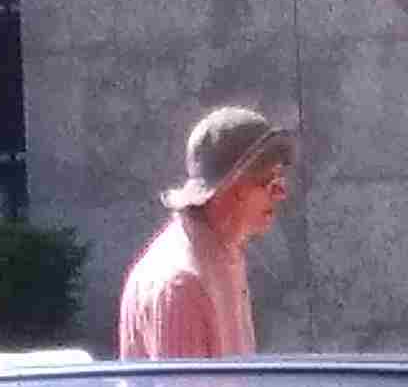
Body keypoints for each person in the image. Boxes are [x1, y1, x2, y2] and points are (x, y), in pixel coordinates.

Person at [114, 105, 293, 361]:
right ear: (233, 186)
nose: (281, 194)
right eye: (270, 181)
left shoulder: (221, 253)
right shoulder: (182, 284)